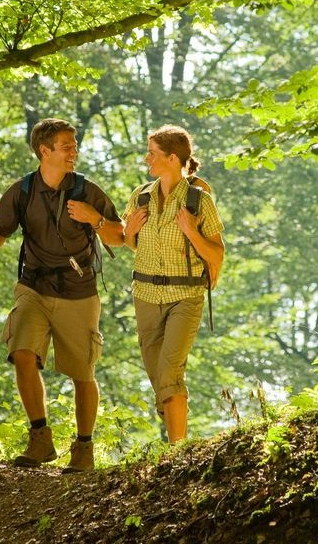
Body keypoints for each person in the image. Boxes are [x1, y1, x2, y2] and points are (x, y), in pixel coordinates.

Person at [0, 118, 124, 471]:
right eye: (67, 146)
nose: (75, 152)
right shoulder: (22, 191)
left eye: (75, 145)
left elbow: (119, 237)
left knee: (82, 372)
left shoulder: (88, 191)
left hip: (78, 290)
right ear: (45, 151)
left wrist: (94, 220)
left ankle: (83, 449)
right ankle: (40, 439)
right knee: (22, 352)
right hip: (33, 286)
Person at [122, 125, 225, 443]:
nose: (146, 159)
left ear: (171, 157)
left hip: (186, 296)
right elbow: (135, 245)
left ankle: (178, 451)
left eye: (151, 153)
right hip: (146, 296)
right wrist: (129, 232)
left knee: (169, 373)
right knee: (159, 378)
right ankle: (175, 451)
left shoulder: (199, 201)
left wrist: (192, 231)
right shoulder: (141, 196)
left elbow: (217, 255)